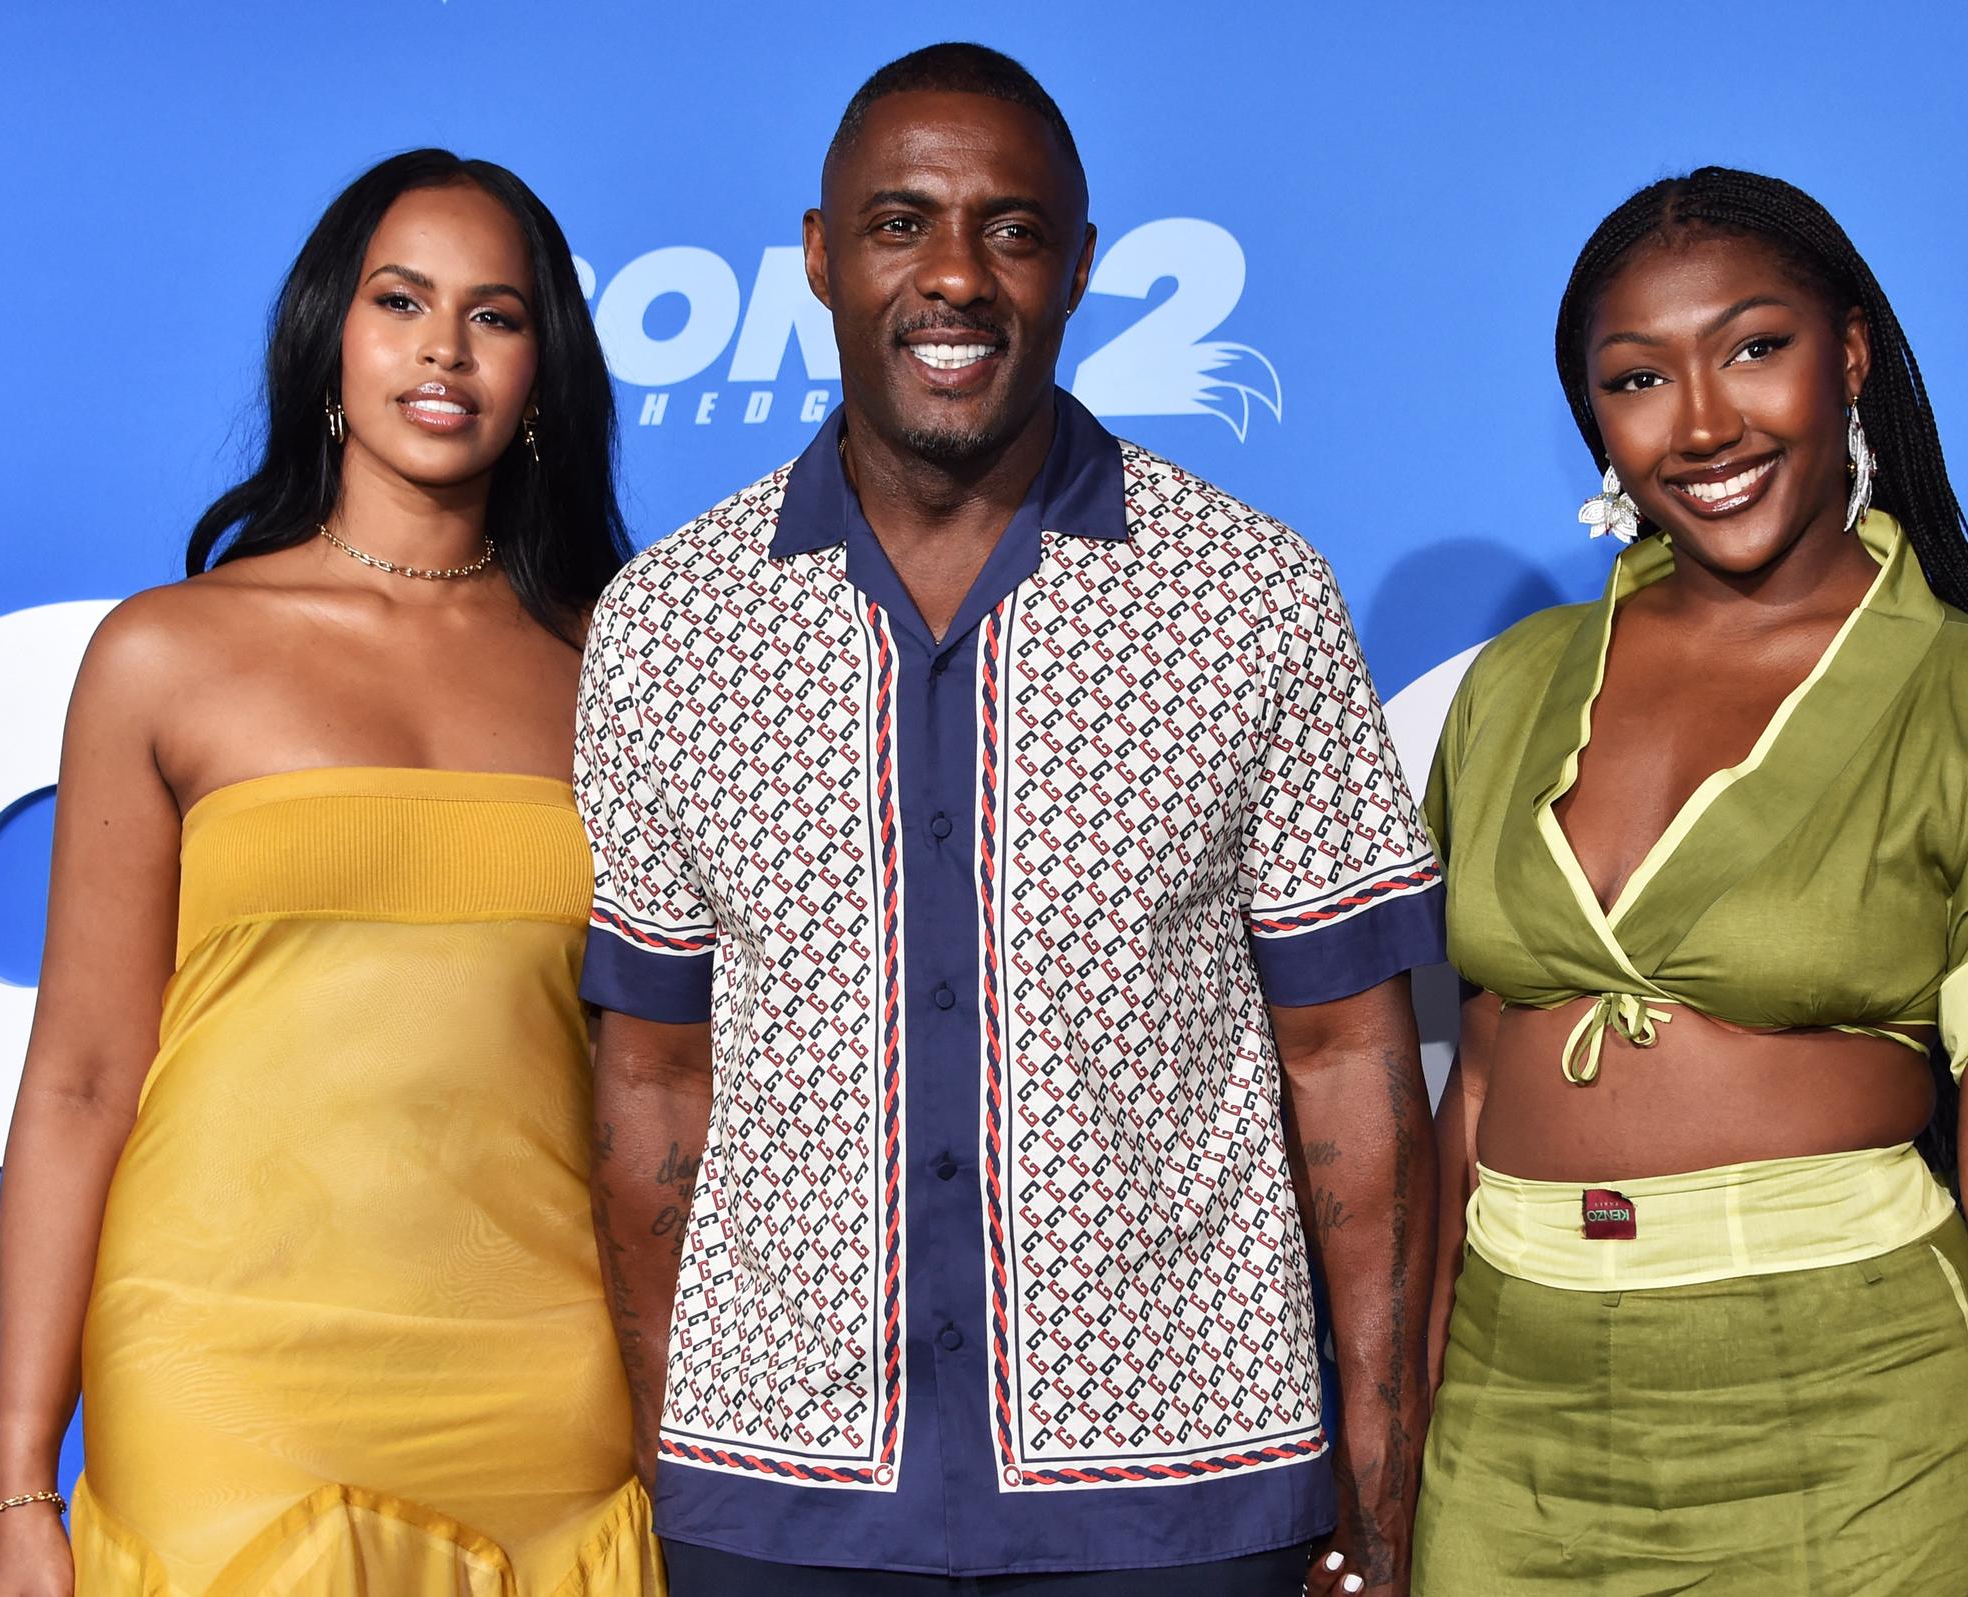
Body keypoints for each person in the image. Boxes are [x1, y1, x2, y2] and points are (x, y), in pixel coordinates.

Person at [576, 42, 1443, 1597]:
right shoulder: (667, 625)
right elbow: (653, 1073)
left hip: (1186, 1499)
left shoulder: (1251, 598)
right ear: (820, 258)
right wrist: (677, 1459)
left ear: (1083, 267)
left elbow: (1353, 1072)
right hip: (777, 1498)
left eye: (1014, 230)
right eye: (903, 224)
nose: (957, 276)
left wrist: (1379, 1506)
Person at [1412, 166, 1968, 1596]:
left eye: (1754, 347)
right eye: (1638, 378)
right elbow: (1475, 1083)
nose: (1702, 423)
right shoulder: (1513, 690)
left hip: (1847, 1411)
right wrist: (1397, 1469)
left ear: (1848, 353)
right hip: (1506, 1427)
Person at [0, 149, 663, 1595]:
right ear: (330, 341)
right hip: (223, 1364)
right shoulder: (164, 652)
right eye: (400, 299)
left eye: (495, 314)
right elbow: (83, 1076)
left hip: (542, 1378)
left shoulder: (625, 673)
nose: (441, 348)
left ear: (545, 369)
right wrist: (22, 1491)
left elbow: (665, 1088)